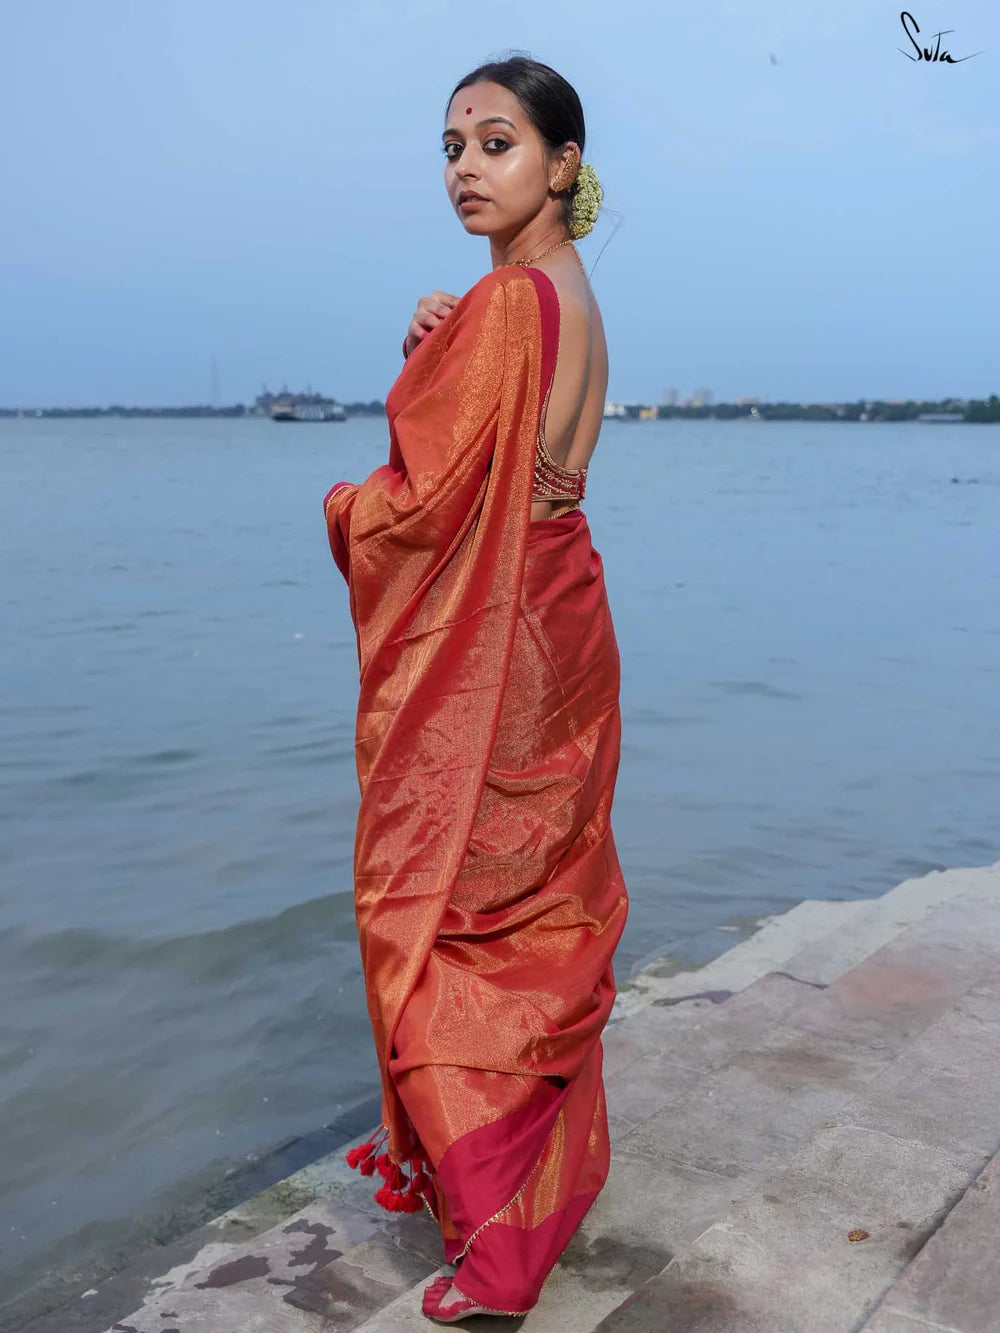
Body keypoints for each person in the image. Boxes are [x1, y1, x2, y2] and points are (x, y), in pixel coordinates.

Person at [322, 55, 629, 1323]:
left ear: (562, 164)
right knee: (532, 917)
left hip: (501, 648)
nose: (464, 168)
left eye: (495, 143)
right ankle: (520, 1198)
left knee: (449, 915)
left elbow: (420, 504)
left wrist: (342, 505)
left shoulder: (506, 308)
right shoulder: (563, 292)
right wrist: (442, 357)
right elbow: (512, 464)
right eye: (450, 147)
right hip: (565, 623)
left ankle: (495, 1261)